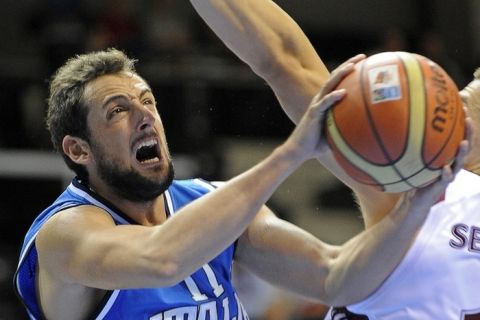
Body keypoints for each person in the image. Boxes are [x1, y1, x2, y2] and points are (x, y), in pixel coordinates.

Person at [13, 48, 466, 320]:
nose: (145, 115)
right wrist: (292, 152)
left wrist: (416, 206)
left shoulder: (211, 204)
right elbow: (161, 259)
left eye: (147, 101)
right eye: (118, 110)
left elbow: (336, 278)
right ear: (78, 150)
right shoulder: (64, 235)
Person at [190, 0, 480, 318]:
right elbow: (286, 60)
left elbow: (285, 61)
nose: (449, 110)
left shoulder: (433, 184)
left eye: (453, 109)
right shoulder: (426, 183)